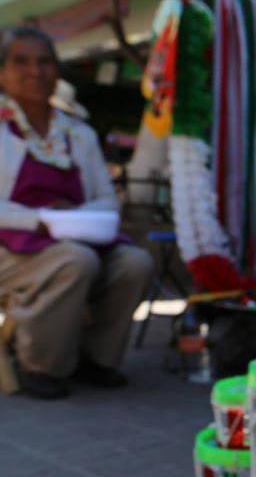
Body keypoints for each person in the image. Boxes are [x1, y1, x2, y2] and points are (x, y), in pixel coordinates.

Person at [0, 26, 153, 399]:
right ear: (2, 72)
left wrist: (74, 218)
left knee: (136, 262)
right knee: (75, 259)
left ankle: (95, 358)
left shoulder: (77, 133)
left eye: (45, 62)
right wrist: (43, 219)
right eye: (21, 61)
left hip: (73, 239)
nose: (36, 71)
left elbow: (106, 199)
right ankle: (38, 363)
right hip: (12, 249)